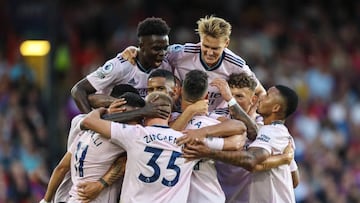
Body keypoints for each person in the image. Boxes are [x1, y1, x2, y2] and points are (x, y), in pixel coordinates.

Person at [121, 15, 266, 112]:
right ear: (200, 39)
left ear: (226, 43)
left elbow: (260, 92)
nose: (209, 52)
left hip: (212, 118)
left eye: (215, 48)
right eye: (206, 46)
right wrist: (133, 49)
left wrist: (250, 115)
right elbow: (152, 53)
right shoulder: (182, 53)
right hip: (177, 113)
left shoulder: (236, 65)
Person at [182, 85, 300, 203]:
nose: (262, 97)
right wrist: (281, 160)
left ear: (275, 108)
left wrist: (209, 153)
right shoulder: (278, 135)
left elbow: (251, 160)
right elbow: (294, 180)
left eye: (267, 95)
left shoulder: (272, 131)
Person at [81, 92, 198, 203]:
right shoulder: (188, 141)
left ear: (146, 113)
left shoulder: (135, 134)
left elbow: (87, 121)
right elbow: (215, 152)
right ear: (170, 115)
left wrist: (104, 109)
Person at [39, 91, 145, 203]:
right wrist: (101, 184)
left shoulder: (85, 132)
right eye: (136, 118)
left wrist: (45, 200)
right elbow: (124, 162)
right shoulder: (121, 136)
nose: (138, 125)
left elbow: (61, 168)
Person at [211, 73, 296, 202]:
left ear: (252, 100)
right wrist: (281, 159)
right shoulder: (214, 121)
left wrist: (281, 160)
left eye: (239, 96)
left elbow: (294, 180)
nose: (229, 99)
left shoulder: (274, 131)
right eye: (229, 94)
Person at [71, 17, 171, 113]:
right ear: (141, 46)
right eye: (156, 49)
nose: (162, 53)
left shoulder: (165, 66)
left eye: (165, 48)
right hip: (112, 120)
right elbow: (78, 90)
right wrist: (93, 122)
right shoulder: (121, 66)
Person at [177, 70, 247, 203]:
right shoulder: (215, 124)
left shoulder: (169, 123)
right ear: (207, 96)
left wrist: (201, 132)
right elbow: (239, 136)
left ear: (180, 91)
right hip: (208, 198)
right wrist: (206, 137)